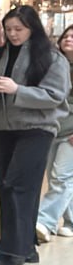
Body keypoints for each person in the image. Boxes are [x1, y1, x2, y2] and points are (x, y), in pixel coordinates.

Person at [0, 5, 71, 265]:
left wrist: (18, 90)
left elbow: (55, 96)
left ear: (33, 28)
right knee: (8, 189)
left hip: (37, 130)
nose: (13, 34)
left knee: (18, 186)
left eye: (19, 29)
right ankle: (26, 247)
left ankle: (8, 253)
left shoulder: (52, 58)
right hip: (2, 130)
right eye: (8, 29)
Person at [35, 26, 73, 241]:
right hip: (53, 128)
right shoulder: (54, 65)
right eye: (66, 36)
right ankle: (71, 222)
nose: (68, 39)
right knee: (58, 178)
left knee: (61, 177)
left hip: (71, 133)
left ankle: (43, 221)